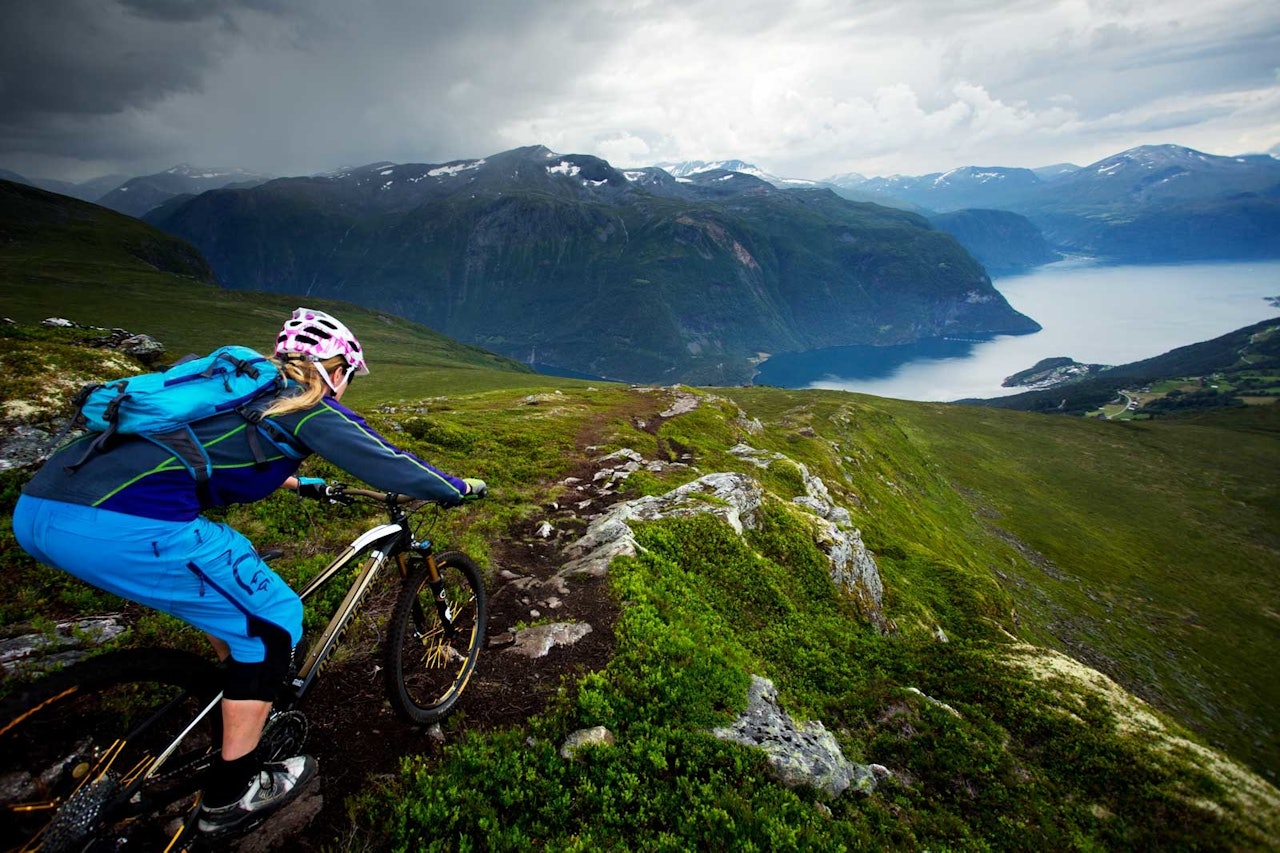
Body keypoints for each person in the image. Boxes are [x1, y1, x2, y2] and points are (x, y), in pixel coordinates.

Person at [12, 307, 486, 838]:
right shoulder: (310, 407)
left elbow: (201, 448)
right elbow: (393, 464)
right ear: (337, 369)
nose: (346, 386)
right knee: (276, 619)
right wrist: (459, 487)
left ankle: (237, 690)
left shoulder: (234, 386)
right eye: (349, 375)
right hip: (116, 525)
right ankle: (231, 795)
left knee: (231, 601)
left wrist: (301, 484)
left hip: (39, 510)